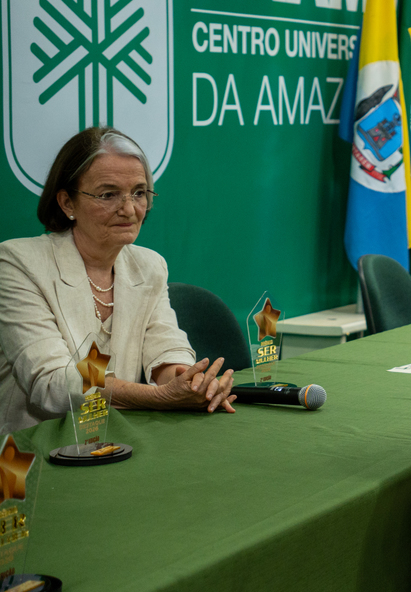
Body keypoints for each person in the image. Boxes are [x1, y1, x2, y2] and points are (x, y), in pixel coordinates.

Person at [0, 127, 237, 434]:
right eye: (108, 194)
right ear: (67, 203)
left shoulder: (149, 265)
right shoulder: (18, 263)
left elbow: (166, 348)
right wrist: (158, 397)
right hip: (33, 447)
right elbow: (52, 382)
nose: (128, 209)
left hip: (112, 439)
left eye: (139, 193)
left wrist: (189, 381)